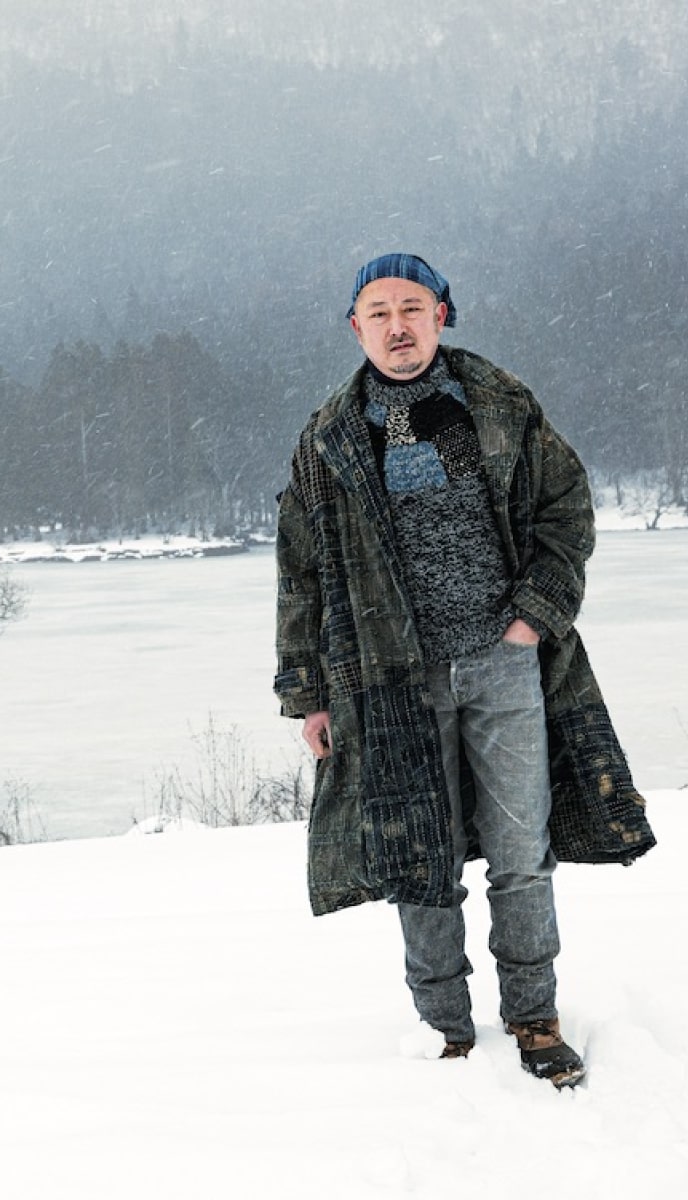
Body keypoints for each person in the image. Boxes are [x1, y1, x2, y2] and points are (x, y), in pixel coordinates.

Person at [273, 252, 656, 1089]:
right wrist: (306, 693)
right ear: (356, 327)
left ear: (443, 315)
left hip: (503, 664)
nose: (397, 325)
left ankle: (534, 1016)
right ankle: (442, 1024)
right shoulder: (329, 439)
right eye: (379, 312)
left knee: (523, 848)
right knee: (423, 857)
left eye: (413, 307)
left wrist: (532, 618)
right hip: (388, 679)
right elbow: (299, 569)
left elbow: (567, 508)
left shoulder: (497, 405)